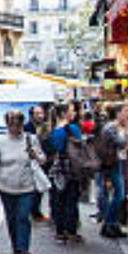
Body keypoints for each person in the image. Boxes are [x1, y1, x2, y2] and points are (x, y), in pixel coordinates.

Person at [0, 109, 45, 254]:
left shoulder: (30, 139)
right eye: (12, 125)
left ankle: (23, 248)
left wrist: (35, 155)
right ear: (7, 125)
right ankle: (16, 247)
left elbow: (42, 159)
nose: (15, 128)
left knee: (22, 216)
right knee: (11, 218)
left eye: (18, 125)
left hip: (26, 185)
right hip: (6, 186)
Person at [43, 102, 84, 244]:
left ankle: (60, 231)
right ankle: (71, 230)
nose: (74, 113)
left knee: (59, 199)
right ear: (64, 113)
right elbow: (81, 147)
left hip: (56, 168)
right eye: (72, 110)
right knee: (72, 199)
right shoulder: (72, 128)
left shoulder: (53, 130)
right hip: (71, 167)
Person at [94, 104, 128, 239]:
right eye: (126, 111)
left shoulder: (114, 127)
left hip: (117, 162)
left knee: (117, 194)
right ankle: (108, 223)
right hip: (112, 163)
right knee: (119, 195)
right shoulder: (111, 128)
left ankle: (113, 225)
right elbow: (122, 143)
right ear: (118, 113)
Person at [24, 103, 51, 222]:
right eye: (37, 113)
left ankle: (35, 211)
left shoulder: (46, 127)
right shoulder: (27, 128)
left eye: (41, 113)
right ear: (31, 116)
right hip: (32, 161)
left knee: (40, 188)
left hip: (44, 160)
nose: (40, 116)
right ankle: (33, 212)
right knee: (33, 188)